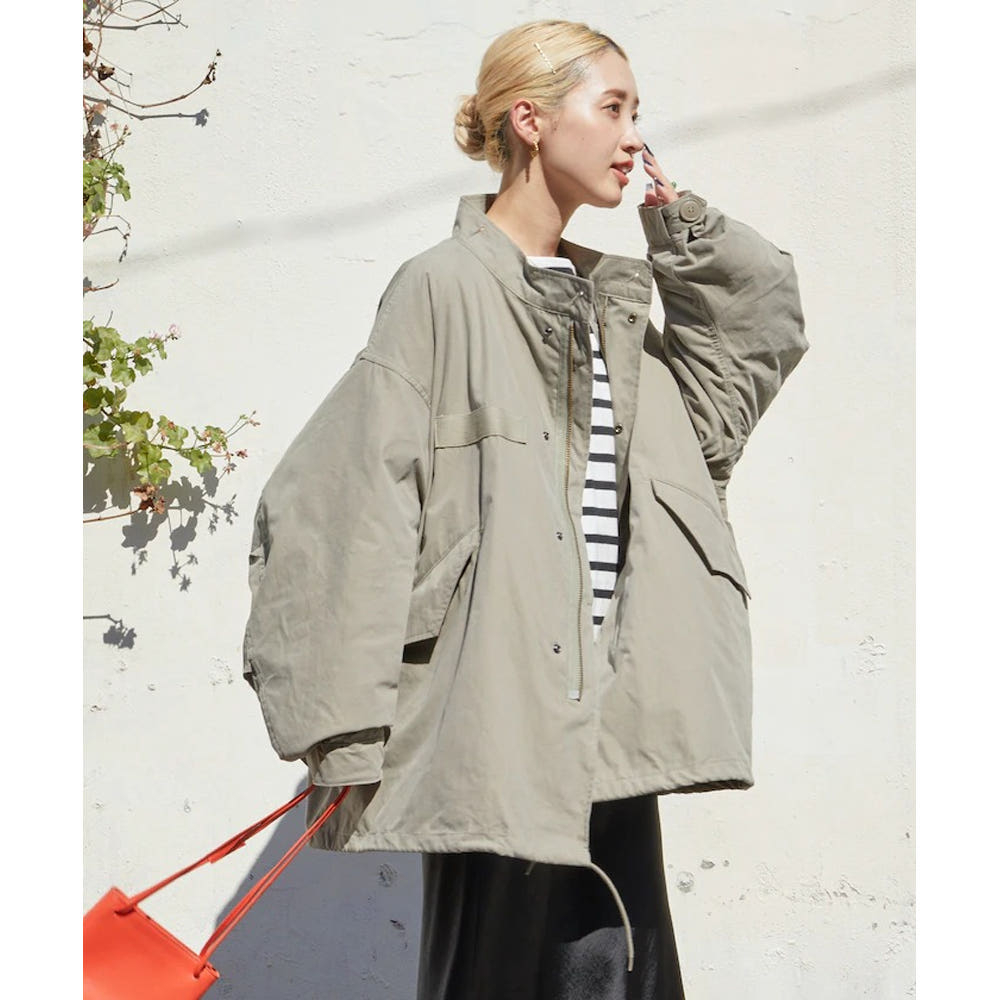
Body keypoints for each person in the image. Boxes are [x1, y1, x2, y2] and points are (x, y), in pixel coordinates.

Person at [242, 18, 807, 1000]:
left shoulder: (611, 308)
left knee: (619, 978)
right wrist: (347, 732)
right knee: (495, 979)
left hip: (609, 717)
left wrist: (685, 231)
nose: (634, 136)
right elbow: (342, 511)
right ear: (531, 120)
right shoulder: (443, 290)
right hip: (491, 723)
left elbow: (750, 348)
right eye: (613, 108)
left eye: (637, 113)